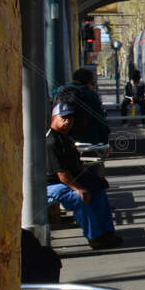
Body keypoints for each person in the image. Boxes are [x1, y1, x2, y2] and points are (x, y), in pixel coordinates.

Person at [47, 101, 122, 249]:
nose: (68, 121)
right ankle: (94, 237)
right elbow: (62, 175)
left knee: (99, 192)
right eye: (63, 118)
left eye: (70, 118)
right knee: (79, 198)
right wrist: (79, 189)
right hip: (54, 184)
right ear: (53, 119)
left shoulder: (65, 138)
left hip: (69, 180)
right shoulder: (51, 141)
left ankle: (107, 232)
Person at [50, 67, 109, 145]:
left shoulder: (58, 91)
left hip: (62, 138)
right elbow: (100, 119)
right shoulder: (91, 95)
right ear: (88, 82)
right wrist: (105, 141)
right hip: (88, 140)